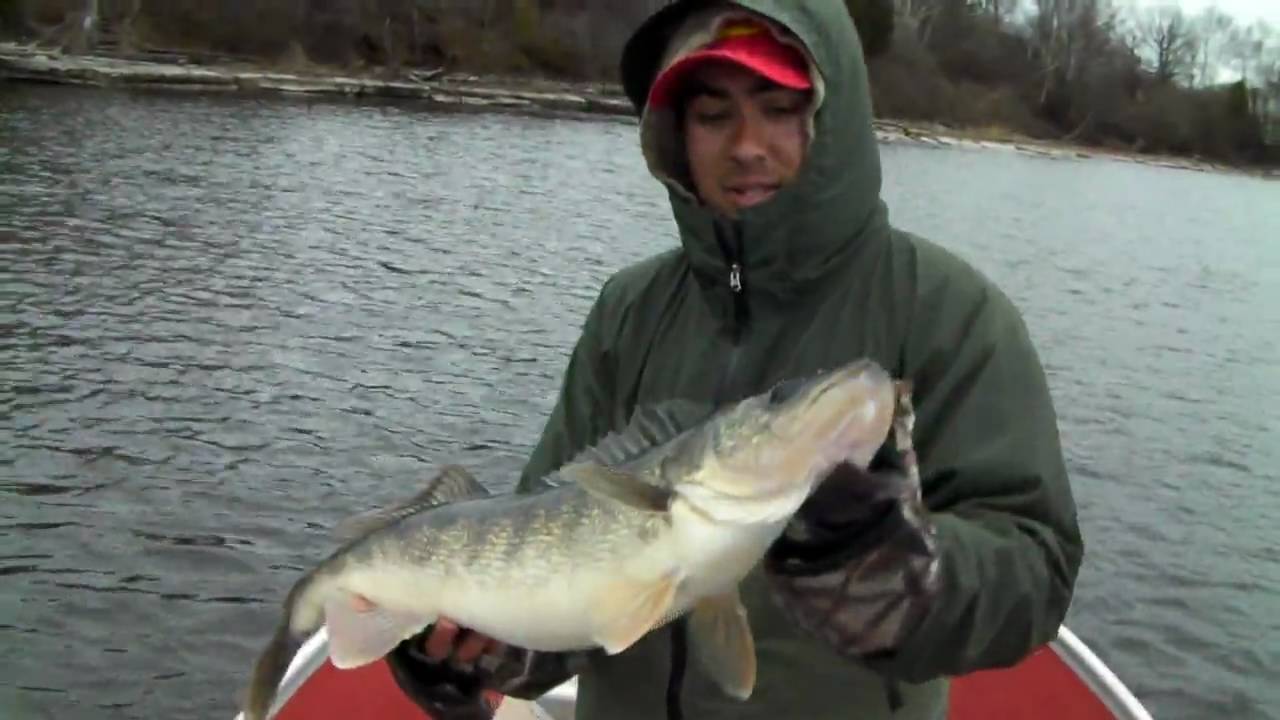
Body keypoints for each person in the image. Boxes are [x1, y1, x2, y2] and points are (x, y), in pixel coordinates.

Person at [386, 1, 1084, 719]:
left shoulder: (950, 313)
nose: (747, 146)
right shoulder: (629, 309)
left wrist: (891, 569)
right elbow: (560, 543)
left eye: (779, 109)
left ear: (832, 122)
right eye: (714, 116)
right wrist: (483, 651)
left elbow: (1034, 574)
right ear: (677, 137)